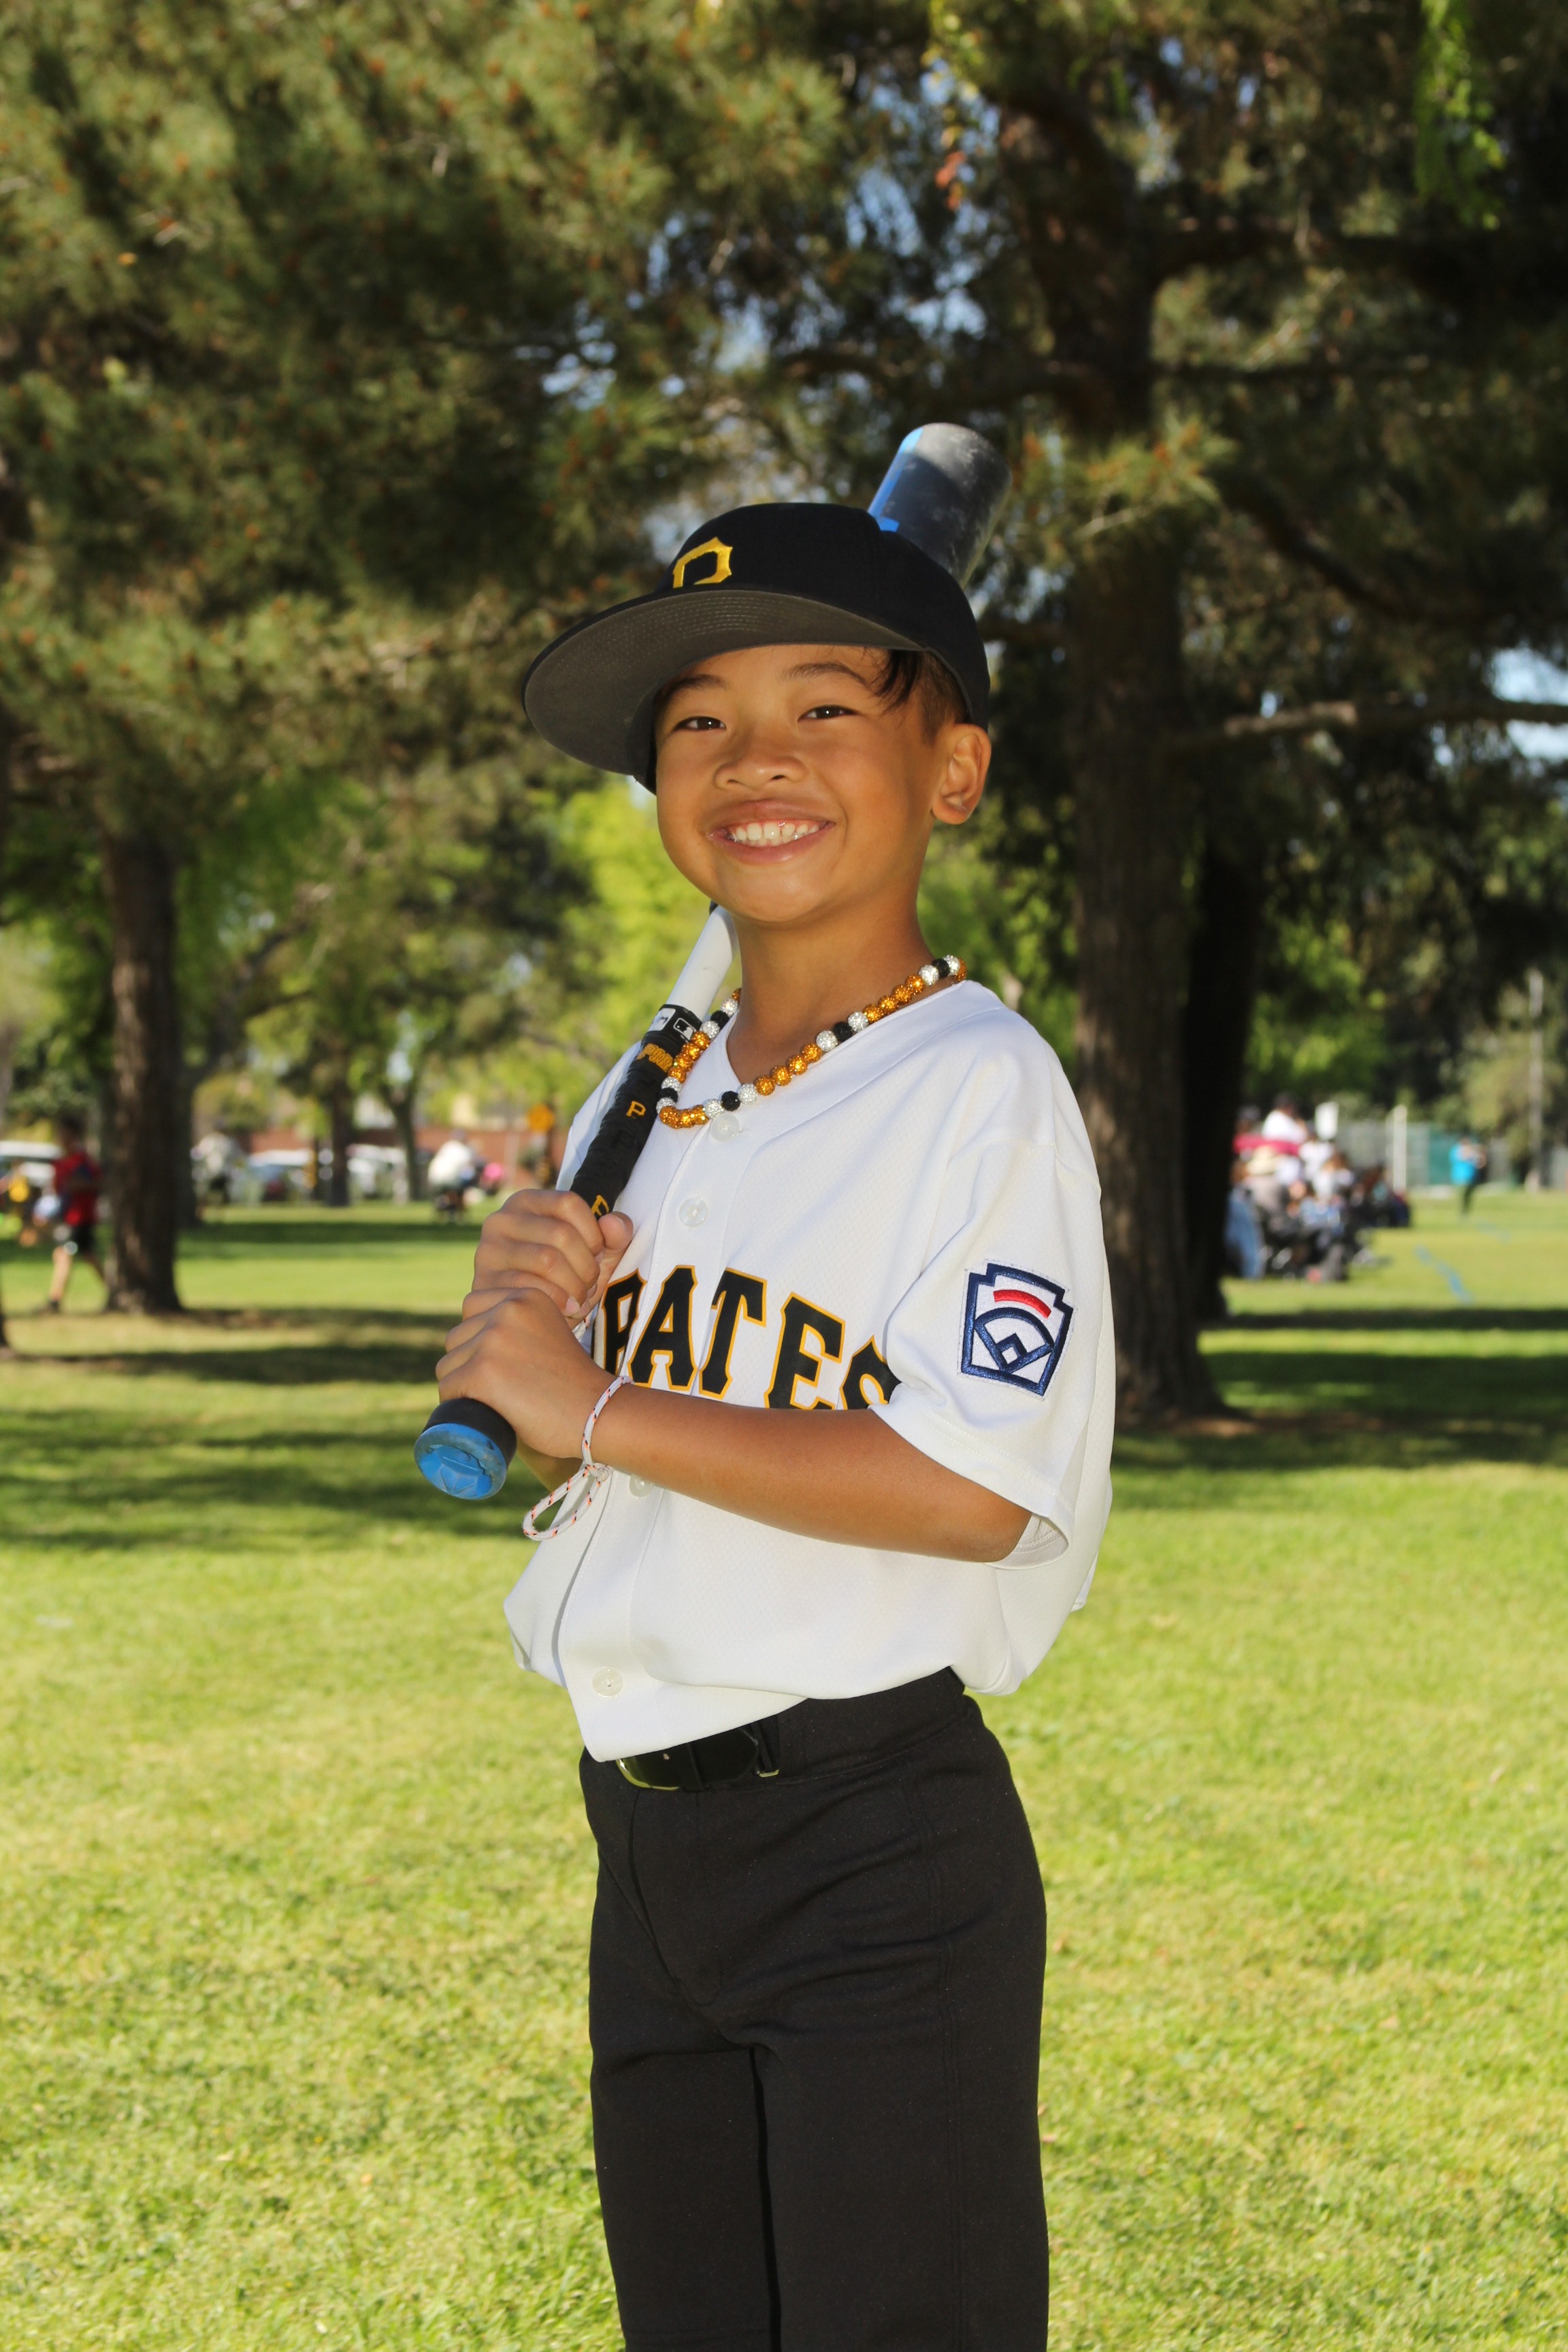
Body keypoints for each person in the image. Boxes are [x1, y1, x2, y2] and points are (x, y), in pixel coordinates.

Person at [436, 500, 1113, 2350]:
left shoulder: (980, 1087)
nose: (756, 759)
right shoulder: (655, 1088)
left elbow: (970, 1486)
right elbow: (619, 1448)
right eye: (700, 720)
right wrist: (531, 1343)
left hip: (865, 1842)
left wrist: (600, 1402)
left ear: (952, 769)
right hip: (647, 1842)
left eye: (827, 707)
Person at [46, 1115, 105, 1311]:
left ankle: (55, 1300)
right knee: (87, 1255)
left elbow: (98, 1183)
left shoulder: (82, 1162)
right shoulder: (61, 1162)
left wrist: (79, 1185)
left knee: (64, 1254)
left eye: (64, 1133)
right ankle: (115, 1289)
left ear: (72, 1135)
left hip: (80, 1217)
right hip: (67, 1216)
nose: (60, 1137)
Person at [1450, 1133, 1486, 1214]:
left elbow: (1480, 1163)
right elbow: (1463, 1157)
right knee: (1462, 1196)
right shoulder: (1457, 1150)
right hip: (1460, 1178)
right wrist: (1471, 1151)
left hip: (1472, 1178)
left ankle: (1467, 1212)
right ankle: (1462, 1212)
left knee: (1469, 1196)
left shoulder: (1472, 1151)